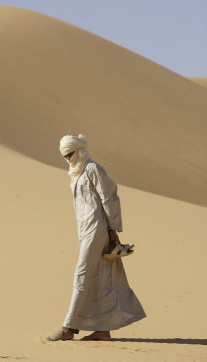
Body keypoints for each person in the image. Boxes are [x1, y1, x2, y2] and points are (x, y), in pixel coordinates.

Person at [46, 134, 146, 341]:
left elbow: (109, 197)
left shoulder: (92, 169)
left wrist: (113, 229)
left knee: (82, 274)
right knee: (100, 277)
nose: (68, 159)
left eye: (71, 154)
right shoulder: (76, 173)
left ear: (79, 150)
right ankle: (103, 330)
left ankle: (69, 328)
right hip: (85, 231)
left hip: (97, 230)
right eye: (65, 155)